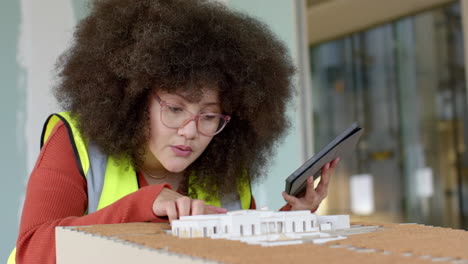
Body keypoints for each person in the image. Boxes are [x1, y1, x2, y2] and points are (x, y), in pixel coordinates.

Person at [10, 0, 339, 263]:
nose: (190, 132)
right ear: (137, 100)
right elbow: (31, 253)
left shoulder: (223, 164)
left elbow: (241, 250)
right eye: (175, 109)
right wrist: (143, 207)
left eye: (209, 116)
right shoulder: (75, 141)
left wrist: (292, 218)